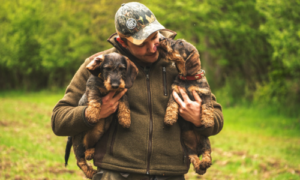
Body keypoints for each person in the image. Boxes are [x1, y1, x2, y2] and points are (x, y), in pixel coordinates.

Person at [51, 2, 224, 180]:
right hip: (117, 173)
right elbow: (58, 119)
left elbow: (217, 116)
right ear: (122, 42)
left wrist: (198, 118)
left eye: (154, 37)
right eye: (142, 43)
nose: (152, 47)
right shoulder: (99, 65)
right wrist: (92, 113)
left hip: (171, 174)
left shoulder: (179, 65)